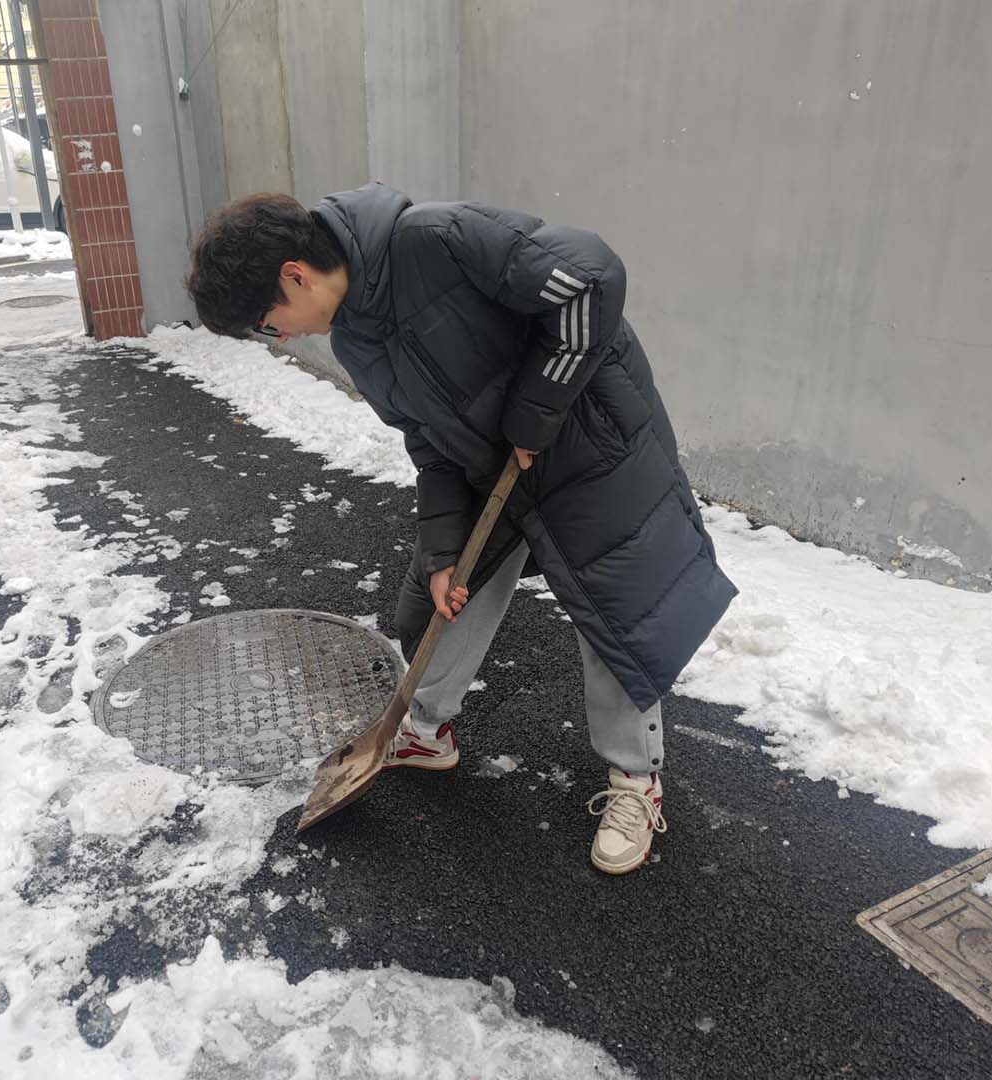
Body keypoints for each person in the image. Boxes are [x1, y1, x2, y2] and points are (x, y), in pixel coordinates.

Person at [185, 183, 737, 875]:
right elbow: (428, 439)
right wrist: (445, 548)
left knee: (614, 607)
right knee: (444, 594)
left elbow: (593, 279)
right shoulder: (356, 336)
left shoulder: (436, 239)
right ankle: (421, 732)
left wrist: (536, 410)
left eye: (270, 322)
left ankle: (635, 779)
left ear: (294, 276)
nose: (282, 336)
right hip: (497, 462)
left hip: (592, 443)